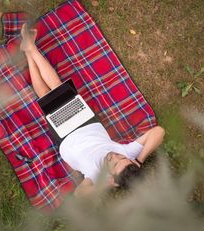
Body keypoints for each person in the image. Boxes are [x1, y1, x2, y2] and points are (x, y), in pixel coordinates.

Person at [20, 24, 165, 197]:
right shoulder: (128, 155)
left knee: (45, 94)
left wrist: (106, 185)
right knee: (57, 87)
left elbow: (79, 195)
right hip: (88, 123)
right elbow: (158, 132)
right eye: (122, 158)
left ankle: (30, 50)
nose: (115, 156)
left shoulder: (98, 178)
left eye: (114, 163)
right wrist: (139, 159)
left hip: (67, 138)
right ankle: (30, 50)